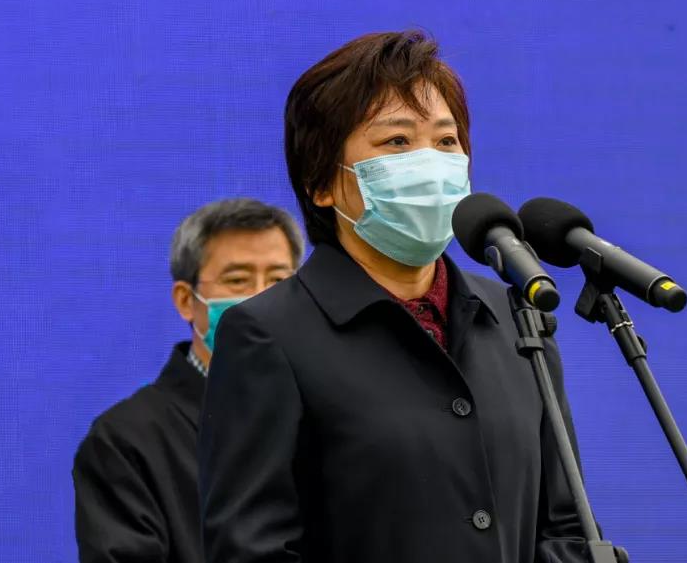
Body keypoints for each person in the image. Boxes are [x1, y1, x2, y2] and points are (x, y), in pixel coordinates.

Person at [199, 31, 592, 563]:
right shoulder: (269, 335)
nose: (429, 163)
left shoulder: (515, 315)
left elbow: (569, 526)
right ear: (321, 182)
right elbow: (253, 549)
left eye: (446, 141)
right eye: (398, 142)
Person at [73, 198, 305, 563]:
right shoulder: (126, 442)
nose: (263, 299)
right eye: (238, 280)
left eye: (279, 280)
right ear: (186, 300)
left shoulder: (332, 414)